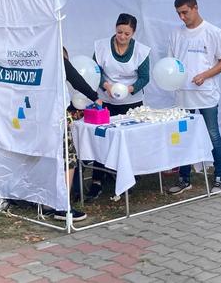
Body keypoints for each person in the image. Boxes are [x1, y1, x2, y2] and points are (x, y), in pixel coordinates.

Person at [167, 0, 221, 194]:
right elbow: (171, 64)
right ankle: (184, 178)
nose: (182, 17)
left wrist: (205, 75)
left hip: (206, 94)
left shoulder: (212, 32)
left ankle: (220, 176)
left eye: (185, 12)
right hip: (183, 95)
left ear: (195, 8)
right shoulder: (175, 34)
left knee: (213, 135)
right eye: (178, 13)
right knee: (183, 136)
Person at [85, 13, 150, 201]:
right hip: (107, 100)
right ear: (115, 28)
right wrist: (107, 86)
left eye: (127, 34)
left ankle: (126, 178)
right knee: (102, 139)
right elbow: (95, 71)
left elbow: (145, 77)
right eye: (119, 32)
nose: (122, 36)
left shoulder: (141, 51)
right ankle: (97, 181)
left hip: (132, 102)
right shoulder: (101, 47)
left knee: (129, 141)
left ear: (133, 33)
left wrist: (129, 89)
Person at [46, 48, 103, 222]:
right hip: (55, 116)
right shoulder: (55, 54)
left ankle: (46, 202)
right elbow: (76, 79)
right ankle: (62, 206)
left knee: (46, 158)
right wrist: (95, 97)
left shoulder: (36, 55)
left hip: (38, 116)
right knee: (68, 158)